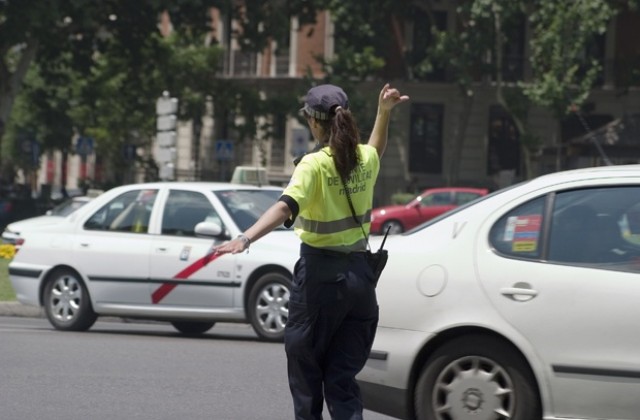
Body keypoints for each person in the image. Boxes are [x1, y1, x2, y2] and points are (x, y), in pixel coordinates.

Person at [212, 83, 409, 419]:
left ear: (315, 123)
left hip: (321, 280)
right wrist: (384, 113)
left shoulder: (314, 165)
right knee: (342, 380)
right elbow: (377, 147)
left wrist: (245, 238)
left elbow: (285, 207)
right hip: (361, 283)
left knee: (306, 375)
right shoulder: (364, 159)